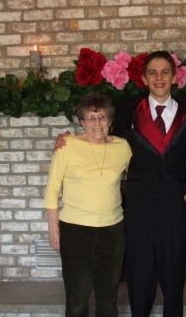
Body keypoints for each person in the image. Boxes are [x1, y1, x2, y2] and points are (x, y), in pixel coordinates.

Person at [55, 51, 186, 317]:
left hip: (176, 205)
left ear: (175, 77)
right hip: (138, 205)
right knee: (140, 274)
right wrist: (67, 137)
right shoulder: (129, 108)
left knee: (174, 276)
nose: (159, 78)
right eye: (152, 72)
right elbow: (99, 133)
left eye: (165, 71)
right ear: (143, 78)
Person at [44, 92, 132, 317]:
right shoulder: (67, 145)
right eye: (90, 118)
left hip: (112, 230)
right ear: (82, 122)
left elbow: (142, 179)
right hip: (75, 230)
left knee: (108, 297)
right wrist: (54, 229)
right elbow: (52, 189)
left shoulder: (123, 147)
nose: (96, 123)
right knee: (77, 298)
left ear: (110, 121)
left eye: (102, 117)